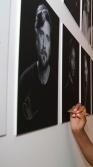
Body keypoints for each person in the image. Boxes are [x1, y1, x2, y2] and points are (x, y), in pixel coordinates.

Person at [17, 4, 58, 134]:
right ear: (36, 39)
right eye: (41, 34)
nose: (44, 45)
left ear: (51, 44)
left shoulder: (57, 83)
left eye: (47, 37)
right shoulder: (25, 80)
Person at [63, 38, 79, 122]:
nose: (73, 64)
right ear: (69, 60)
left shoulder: (74, 85)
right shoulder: (66, 87)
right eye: (72, 58)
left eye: (75, 59)